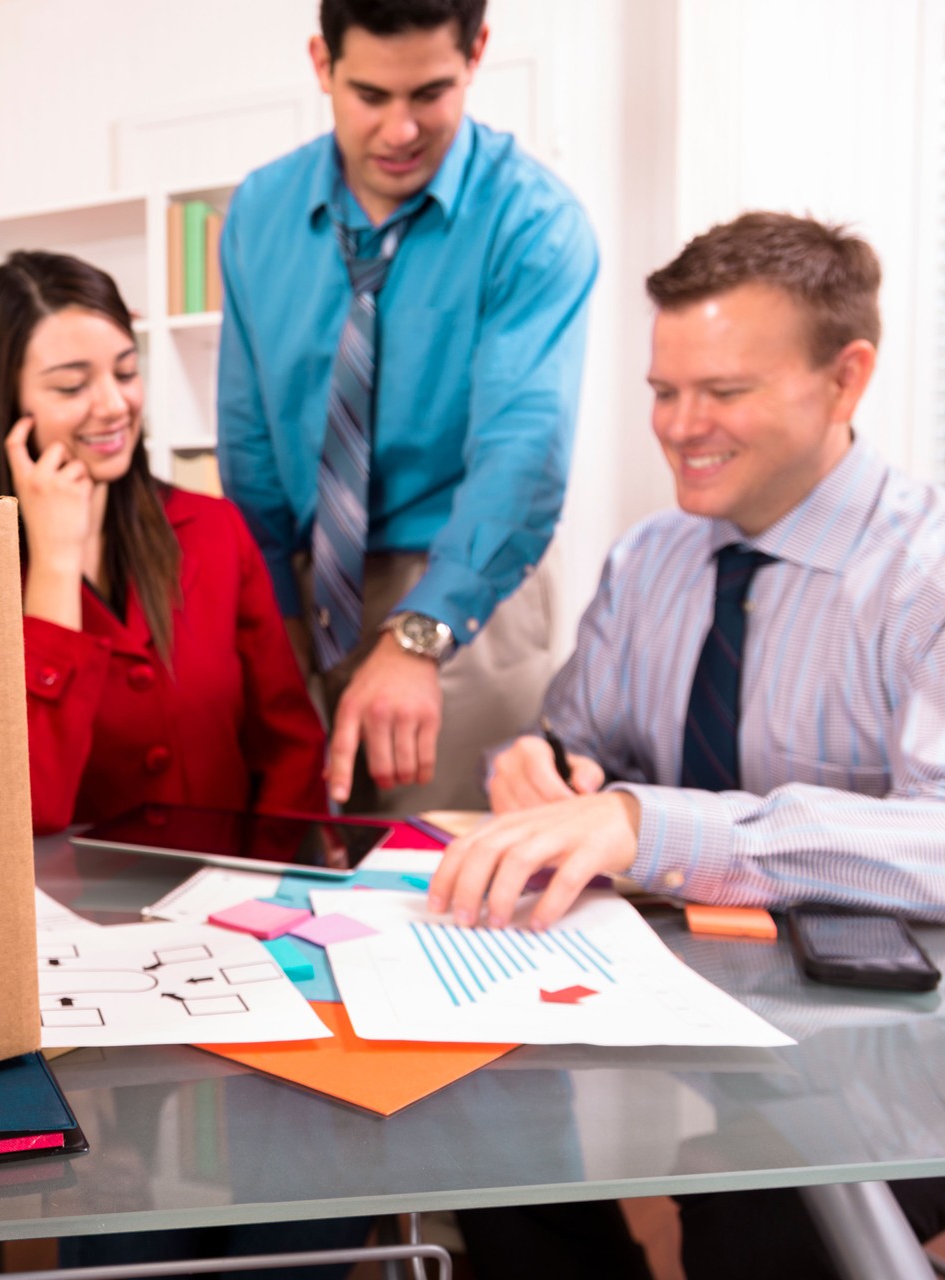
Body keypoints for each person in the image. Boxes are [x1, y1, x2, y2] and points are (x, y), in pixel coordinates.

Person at [434, 212, 945, 1278]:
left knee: (757, 1204)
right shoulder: (649, 559)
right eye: (662, 391)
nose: (681, 426)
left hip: (933, 1050)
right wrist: (538, 765)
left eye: (723, 391)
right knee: (469, 1115)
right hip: (699, 1002)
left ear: (846, 377)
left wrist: (654, 820)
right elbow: (585, 745)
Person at [217, 0, 597, 815]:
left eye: (429, 93)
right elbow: (250, 439)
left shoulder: (535, 223)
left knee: (441, 883)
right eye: (370, 96)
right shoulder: (258, 213)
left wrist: (423, 633)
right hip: (303, 583)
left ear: (477, 53)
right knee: (293, 863)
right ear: (322, 63)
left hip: (464, 584)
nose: (399, 130)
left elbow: (522, 455)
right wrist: (270, 618)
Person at [0, 250, 328, 836]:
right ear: (7, 406)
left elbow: (290, 749)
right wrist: (53, 562)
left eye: (125, 373)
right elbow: (26, 809)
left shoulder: (215, 531)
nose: (114, 405)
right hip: (64, 920)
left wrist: (262, 891)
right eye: (72, 385)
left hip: (222, 905)